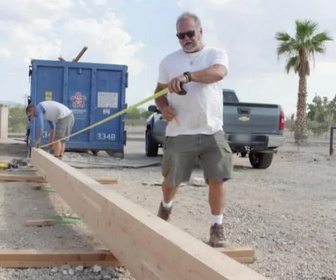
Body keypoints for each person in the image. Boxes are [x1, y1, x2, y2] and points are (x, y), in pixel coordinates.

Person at [154, 12, 233, 248]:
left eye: (190, 33)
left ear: (200, 31)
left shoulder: (215, 54)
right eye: (181, 35)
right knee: (171, 181)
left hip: (212, 130)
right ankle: (166, 207)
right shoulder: (168, 61)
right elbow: (158, 92)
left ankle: (216, 227)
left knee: (218, 177)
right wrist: (164, 107)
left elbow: (218, 73)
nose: (186, 38)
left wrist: (187, 76)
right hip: (180, 132)